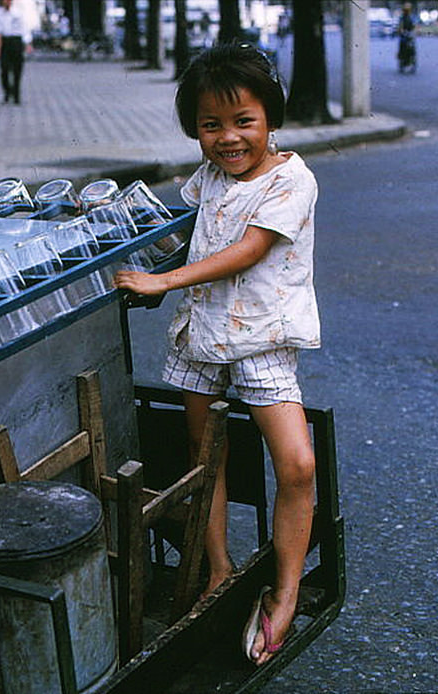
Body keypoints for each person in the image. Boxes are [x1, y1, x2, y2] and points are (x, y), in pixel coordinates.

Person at [113, 43, 320, 666]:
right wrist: (141, 251)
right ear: (195, 129)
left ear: (270, 118)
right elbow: (192, 234)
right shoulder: (207, 179)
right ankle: (220, 570)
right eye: (211, 125)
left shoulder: (292, 179)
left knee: (297, 466)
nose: (228, 138)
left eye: (243, 122)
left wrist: (160, 282)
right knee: (207, 464)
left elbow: (248, 250)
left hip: (262, 339)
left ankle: (284, 593)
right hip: (201, 340)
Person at [0, 0, 30, 105]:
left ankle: (16, 95)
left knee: (17, 70)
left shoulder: (18, 12)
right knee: (4, 69)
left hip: (16, 41)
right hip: (4, 42)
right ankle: (7, 91)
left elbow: (24, 28)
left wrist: (27, 43)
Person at [397, 3, 417, 71]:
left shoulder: (412, 17)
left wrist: (413, 32)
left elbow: (414, 26)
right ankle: (402, 61)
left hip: (410, 35)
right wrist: (402, 32)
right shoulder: (402, 18)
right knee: (402, 48)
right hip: (403, 37)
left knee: (412, 49)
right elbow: (400, 27)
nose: (406, 11)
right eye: (405, 10)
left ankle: (412, 61)